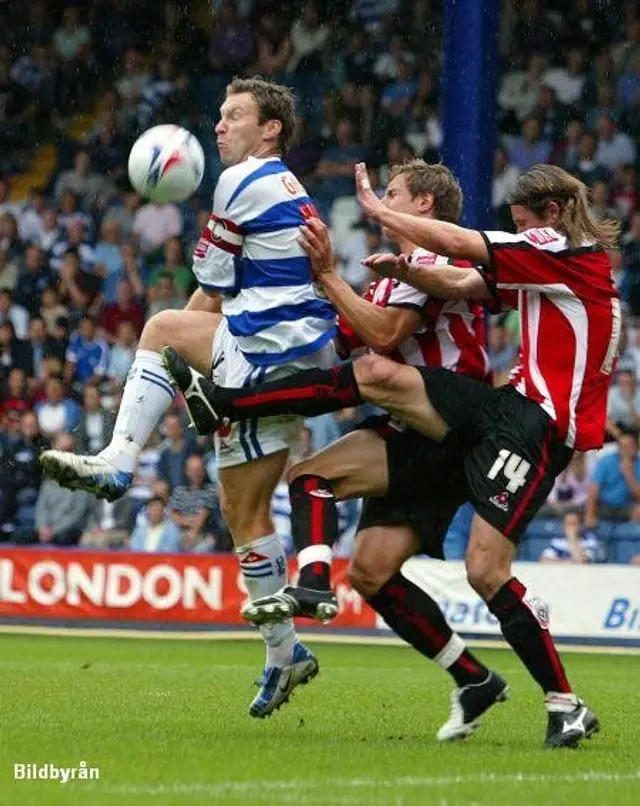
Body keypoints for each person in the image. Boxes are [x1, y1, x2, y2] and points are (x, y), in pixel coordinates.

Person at [163, 163, 619, 748]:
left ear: (550, 217)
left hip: (514, 422)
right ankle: (476, 678)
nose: (522, 232)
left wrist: (374, 215)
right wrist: (387, 271)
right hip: (483, 418)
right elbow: (465, 285)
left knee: (483, 565)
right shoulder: (535, 264)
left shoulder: (559, 251)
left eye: (525, 222)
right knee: (372, 565)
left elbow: (453, 253)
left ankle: (565, 702)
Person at [40, 77, 336, 718]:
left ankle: (118, 460)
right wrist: (180, 370)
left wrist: (173, 360)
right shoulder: (284, 186)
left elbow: (204, 294)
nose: (221, 127)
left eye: (235, 117)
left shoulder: (244, 181)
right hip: (292, 359)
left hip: (266, 354)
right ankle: (286, 656)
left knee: (161, 326)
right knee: (243, 513)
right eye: (220, 116)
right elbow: (222, 289)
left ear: (271, 129)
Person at [241, 159, 507, 743]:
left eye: (392, 194)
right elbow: (337, 345)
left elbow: (383, 337)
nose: (381, 203)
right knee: (369, 569)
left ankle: (237, 407)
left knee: (358, 392)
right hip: (410, 434)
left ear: (425, 207)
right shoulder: (387, 277)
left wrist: (328, 278)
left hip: (448, 425)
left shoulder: (435, 260)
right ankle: (473, 679)